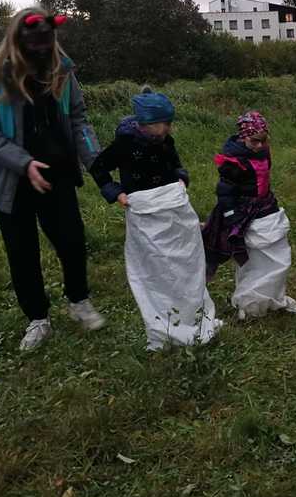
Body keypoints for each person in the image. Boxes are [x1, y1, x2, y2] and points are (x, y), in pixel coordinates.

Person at [0, 7, 105, 351]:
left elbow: (79, 120)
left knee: (72, 240)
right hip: (10, 176)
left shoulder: (62, 70)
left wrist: (98, 164)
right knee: (22, 250)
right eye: (34, 47)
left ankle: (78, 300)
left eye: (47, 44)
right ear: (17, 42)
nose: (41, 53)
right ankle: (37, 317)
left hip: (56, 171)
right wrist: (24, 163)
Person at [90, 86, 221, 350]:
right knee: (156, 262)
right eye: (165, 123)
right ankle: (163, 319)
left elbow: (176, 164)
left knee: (183, 256)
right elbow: (98, 167)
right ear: (148, 124)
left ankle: (190, 311)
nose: (169, 129)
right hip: (144, 211)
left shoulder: (165, 141)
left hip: (172, 206)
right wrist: (116, 192)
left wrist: (181, 179)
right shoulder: (125, 144)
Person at [202, 111, 296, 319]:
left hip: (265, 206)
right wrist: (231, 216)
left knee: (277, 249)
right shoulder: (234, 161)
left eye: (263, 140)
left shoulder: (263, 152)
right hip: (243, 210)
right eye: (254, 141)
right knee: (253, 256)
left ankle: (271, 296)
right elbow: (225, 191)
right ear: (243, 137)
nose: (259, 145)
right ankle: (251, 302)